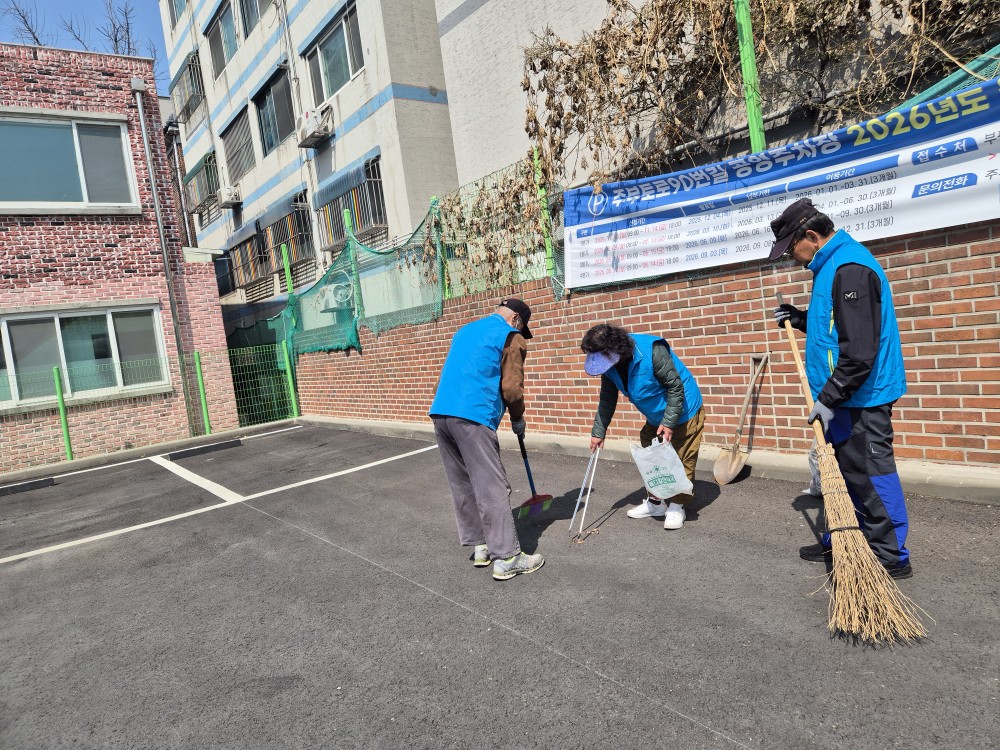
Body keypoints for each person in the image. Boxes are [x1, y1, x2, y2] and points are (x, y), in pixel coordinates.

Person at [769, 197, 912, 579]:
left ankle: (891, 554)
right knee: (846, 473)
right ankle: (845, 538)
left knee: (871, 474)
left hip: (860, 397)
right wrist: (799, 319)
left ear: (811, 236)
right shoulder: (829, 267)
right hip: (843, 395)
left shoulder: (850, 268)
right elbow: (836, 329)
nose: (791, 259)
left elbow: (860, 352)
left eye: (792, 250)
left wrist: (829, 398)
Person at [429, 298, 544, 581]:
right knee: (491, 485)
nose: (521, 330)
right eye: (522, 326)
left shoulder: (465, 330)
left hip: (442, 412)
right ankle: (507, 557)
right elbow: (512, 388)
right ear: (516, 319)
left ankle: (481, 547)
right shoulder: (511, 336)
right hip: (473, 415)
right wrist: (518, 418)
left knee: (463, 483)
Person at [580, 323, 704, 530]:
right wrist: (598, 432)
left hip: (684, 410)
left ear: (616, 349)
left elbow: (675, 387)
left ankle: (677, 505)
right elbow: (607, 399)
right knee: (651, 454)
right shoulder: (610, 367)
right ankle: (655, 504)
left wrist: (669, 422)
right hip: (656, 415)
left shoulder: (652, 350)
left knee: (682, 458)